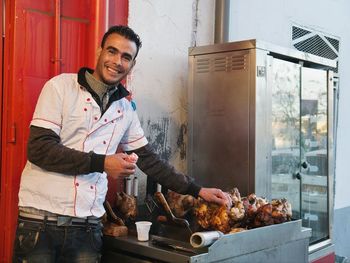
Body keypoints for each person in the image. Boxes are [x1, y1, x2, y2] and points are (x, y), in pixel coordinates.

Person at [13, 25, 228, 262]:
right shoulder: (61, 87)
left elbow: (150, 161)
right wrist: (103, 163)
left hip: (88, 226)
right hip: (41, 221)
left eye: (126, 57)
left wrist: (197, 190)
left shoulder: (124, 109)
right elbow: (40, 149)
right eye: (112, 51)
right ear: (99, 52)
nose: (117, 61)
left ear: (132, 65)